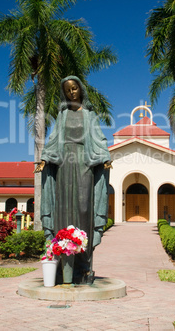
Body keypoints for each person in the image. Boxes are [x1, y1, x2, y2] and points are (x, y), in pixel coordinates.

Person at [34, 76, 112, 284]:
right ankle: (62, 263)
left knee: (84, 209)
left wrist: (104, 157)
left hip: (84, 164)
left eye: (74, 88)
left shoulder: (89, 115)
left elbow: (99, 139)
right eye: (68, 90)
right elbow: (52, 141)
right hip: (63, 165)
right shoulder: (62, 116)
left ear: (80, 90)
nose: (72, 93)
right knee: (63, 209)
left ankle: (84, 265)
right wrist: (44, 159)